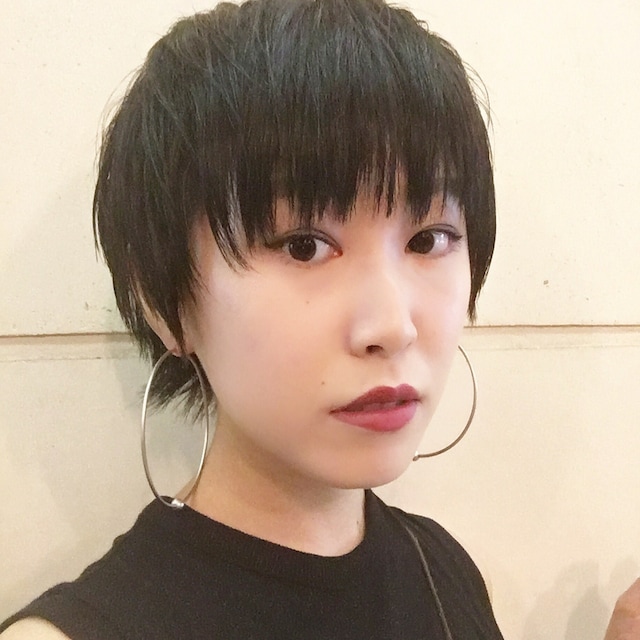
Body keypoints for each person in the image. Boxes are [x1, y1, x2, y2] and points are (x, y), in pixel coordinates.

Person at [6, 0, 618, 637]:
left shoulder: (442, 568)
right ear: (167, 305)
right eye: (304, 247)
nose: (393, 326)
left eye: (429, 239)